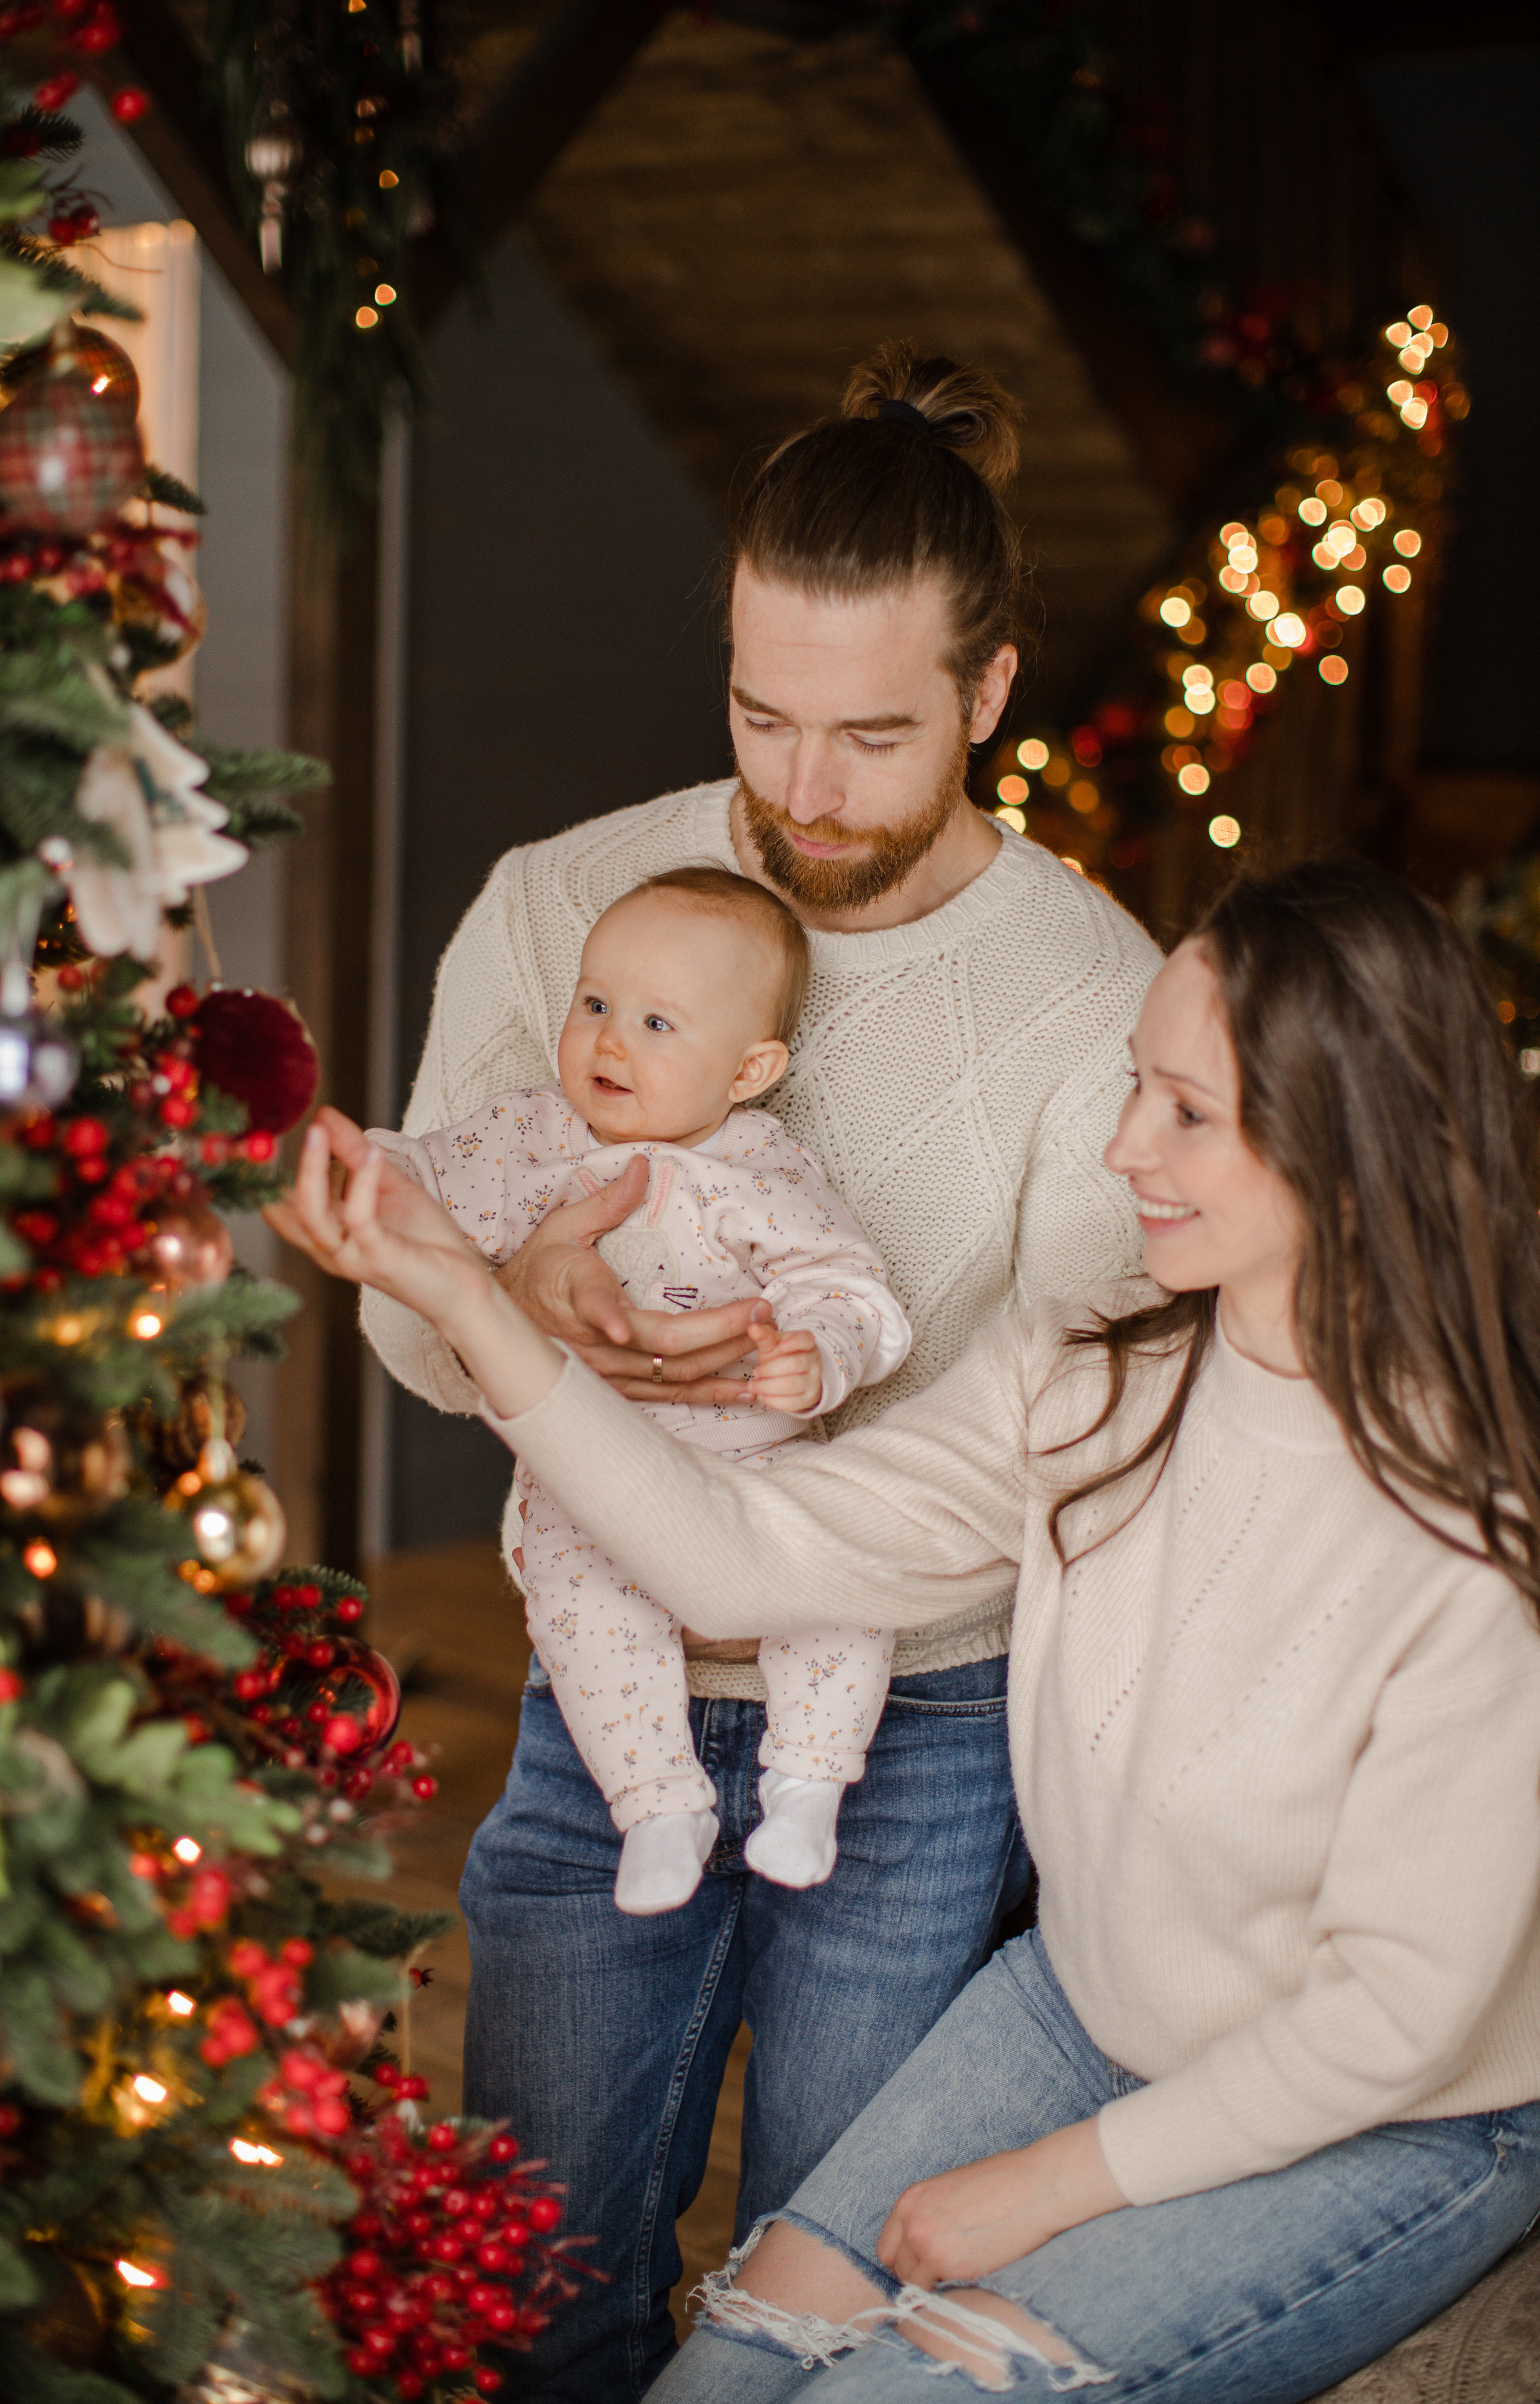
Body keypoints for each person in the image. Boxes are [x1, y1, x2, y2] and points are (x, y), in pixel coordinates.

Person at [276, 859, 1540, 2404]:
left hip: (1396, 2111)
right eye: (1134, 1085)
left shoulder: (1476, 1546)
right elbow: (743, 1561)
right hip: (1085, 2009)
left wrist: (1051, 2184)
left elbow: (1392, 2022)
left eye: (1185, 1113)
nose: (1117, 1146)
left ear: (1356, 1157)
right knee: (722, 2380)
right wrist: (462, 1293)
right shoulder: (1083, 1380)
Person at [359, 339, 1160, 2397]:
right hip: (597, 1681)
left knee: (826, 2301)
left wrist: (781, 1429)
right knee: (527, 2281)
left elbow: (1065, 1426)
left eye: (876, 736)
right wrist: (520, 1294)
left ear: (991, 697)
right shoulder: (561, 906)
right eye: (758, 714)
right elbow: (392, 1294)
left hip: (928, 1723)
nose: (802, 796)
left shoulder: (1102, 996)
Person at [368, 867, 912, 1916]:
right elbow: (417, 1178)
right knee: (580, 1600)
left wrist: (820, 1352)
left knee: (846, 1584)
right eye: (596, 1004)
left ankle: (809, 1778)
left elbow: (852, 1290)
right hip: (597, 1475)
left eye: (658, 1022)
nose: (610, 1042)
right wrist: (360, 1165)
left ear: (750, 1069)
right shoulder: (534, 1139)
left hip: (760, 1461)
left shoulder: (763, 1165)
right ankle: (656, 1802)